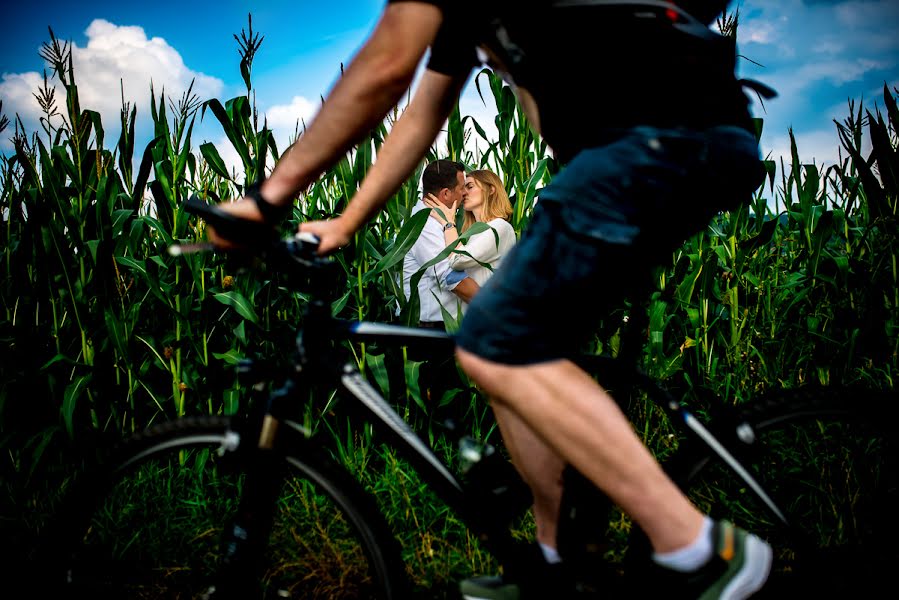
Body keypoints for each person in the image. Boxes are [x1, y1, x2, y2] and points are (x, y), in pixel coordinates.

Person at [209, 1, 774, 598]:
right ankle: (555, 564)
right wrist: (348, 222)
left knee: (495, 341)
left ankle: (701, 550)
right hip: (669, 140)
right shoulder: (468, 20)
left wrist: (268, 200)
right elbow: (420, 115)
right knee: (507, 350)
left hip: (652, 139)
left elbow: (384, 66)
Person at [423, 169, 516, 308]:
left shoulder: (499, 227)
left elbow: (457, 260)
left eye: (470, 186)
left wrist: (448, 223)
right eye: (463, 188)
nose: (464, 193)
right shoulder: (473, 234)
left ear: (491, 189)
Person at [402, 159, 479, 328]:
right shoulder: (423, 225)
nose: (464, 193)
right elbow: (449, 276)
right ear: (445, 194)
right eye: (461, 188)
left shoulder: (438, 220)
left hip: (445, 324)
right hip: (431, 328)